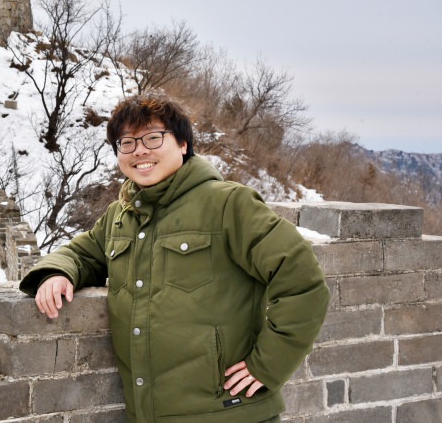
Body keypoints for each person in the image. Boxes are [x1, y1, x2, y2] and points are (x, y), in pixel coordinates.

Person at [19, 90, 329, 423]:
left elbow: (303, 280)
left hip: (228, 414)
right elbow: (82, 254)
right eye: (127, 143)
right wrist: (57, 274)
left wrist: (269, 364)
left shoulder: (227, 204)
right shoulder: (120, 215)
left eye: (153, 138)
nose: (140, 151)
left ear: (183, 144)